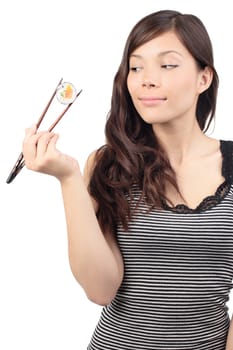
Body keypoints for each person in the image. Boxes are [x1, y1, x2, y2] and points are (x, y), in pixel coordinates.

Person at [22, 9, 233, 350]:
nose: (147, 79)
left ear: (203, 78)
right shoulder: (109, 165)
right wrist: (69, 178)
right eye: (136, 67)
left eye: (168, 65)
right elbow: (100, 289)